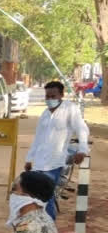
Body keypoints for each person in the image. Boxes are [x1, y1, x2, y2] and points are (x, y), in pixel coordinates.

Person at [25, 80, 90, 220]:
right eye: (47, 96)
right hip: (38, 163)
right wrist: (29, 159)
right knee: (36, 198)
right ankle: (42, 228)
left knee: (46, 196)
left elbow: (81, 128)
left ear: (61, 94)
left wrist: (82, 150)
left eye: (53, 96)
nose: (49, 99)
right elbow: (38, 139)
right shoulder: (44, 114)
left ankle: (50, 229)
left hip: (54, 163)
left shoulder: (70, 109)